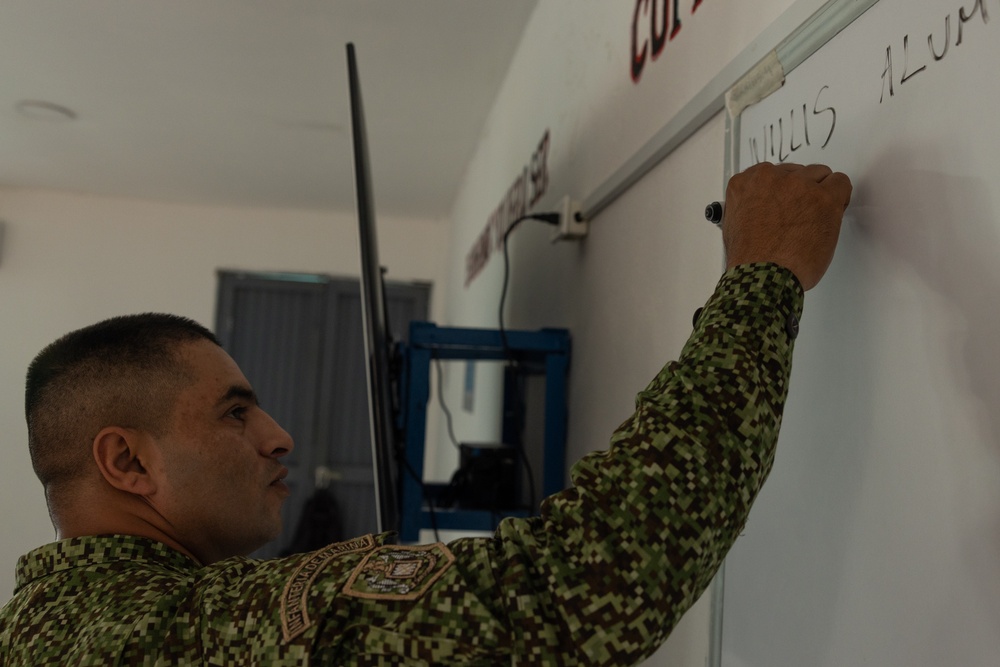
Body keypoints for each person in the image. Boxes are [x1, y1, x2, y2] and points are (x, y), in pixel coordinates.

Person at [0, 162, 851, 665]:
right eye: (233, 413)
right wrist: (761, 280)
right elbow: (585, 584)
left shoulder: (42, 630)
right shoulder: (182, 633)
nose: (278, 435)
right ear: (128, 463)